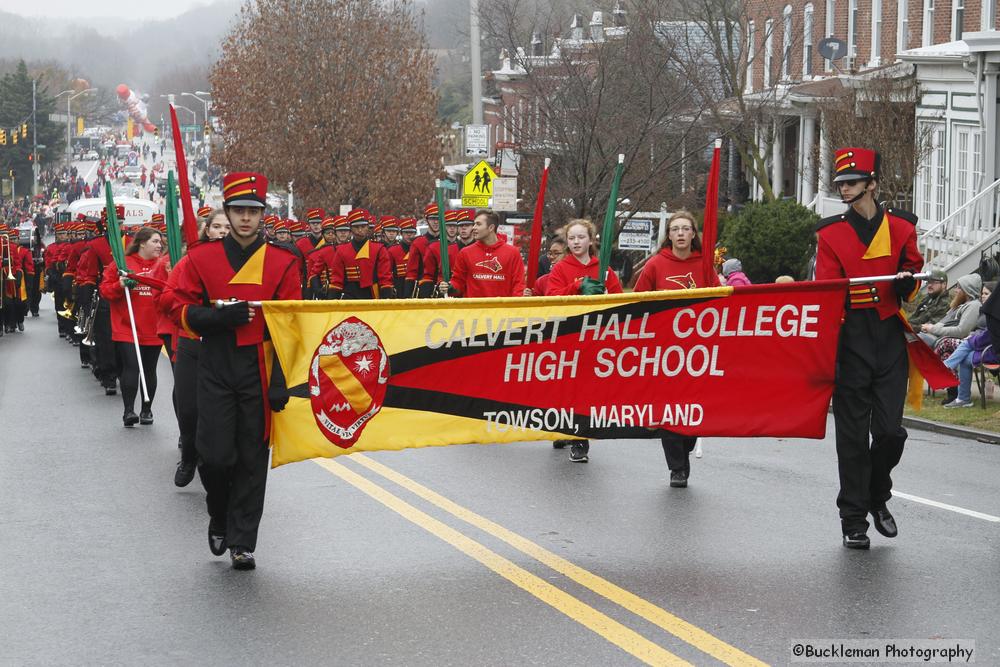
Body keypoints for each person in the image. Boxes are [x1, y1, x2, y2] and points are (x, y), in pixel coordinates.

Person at [169, 172, 300, 570]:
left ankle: (243, 541)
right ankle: (219, 514)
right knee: (215, 456)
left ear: (263, 215)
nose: (245, 218)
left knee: (251, 457)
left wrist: (282, 382)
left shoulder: (284, 261)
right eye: (239, 210)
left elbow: (291, 324)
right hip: (215, 362)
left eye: (253, 211)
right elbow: (175, 308)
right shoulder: (200, 258)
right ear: (227, 211)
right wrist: (215, 317)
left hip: (259, 367)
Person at [814, 146, 924, 550]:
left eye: (852, 183)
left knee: (891, 432)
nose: (844, 189)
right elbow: (827, 289)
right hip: (851, 338)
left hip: (889, 335)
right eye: (841, 183)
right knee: (852, 436)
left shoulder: (901, 227)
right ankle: (854, 518)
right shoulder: (829, 233)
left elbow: (913, 269)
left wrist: (906, 283)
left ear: (872, 184)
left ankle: (878, 494)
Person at [633, 210, 720, 487]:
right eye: (675, 229)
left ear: (694, 234)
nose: (681, 233)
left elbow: (720, 300)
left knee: (691, 407)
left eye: (686, 229)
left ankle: (686, 448)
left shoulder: (705, 264)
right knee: (668, 407)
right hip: (664, 349)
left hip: (697, 348)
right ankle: (677, 468)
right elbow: (639, 302)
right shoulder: (656, 265)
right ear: (668, 235)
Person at [159, 208, 230, 487]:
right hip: (192, 342)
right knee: (189, 409)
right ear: (207, 230)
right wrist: (191, 309)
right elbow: (167, 299)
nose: (223, 232)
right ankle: (189, 456)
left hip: (226, 347)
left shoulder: (244, 264)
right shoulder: (190, 262)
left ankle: (217, 463)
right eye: (218, 227)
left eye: (228, 227)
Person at [545, 219, 623, 463]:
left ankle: (578, 434)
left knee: (588, 390)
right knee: (570, 388)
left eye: (581, 237)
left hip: (596, 337)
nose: (576, 242)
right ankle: (575, 436)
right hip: (569, 336)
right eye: (572, 238)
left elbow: (619, 299)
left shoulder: (604, 269)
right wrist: (576, 286)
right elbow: (551, 298)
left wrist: (608, 298)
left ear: (591, 239)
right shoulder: (561, 268)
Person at [100, 227, 164, 427]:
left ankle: (147, 409)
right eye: (155, 241)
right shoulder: (121, 264)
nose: (159, 245)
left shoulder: (164, 265)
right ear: (142, 243)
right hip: (127, 326)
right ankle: (129, 411)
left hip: (153, 326)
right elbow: (105, 290)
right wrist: (120, 285)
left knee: (149, 369)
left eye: (160, 242)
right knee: (131, 367)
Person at [439, 210, 526, 298]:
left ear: (491, 228)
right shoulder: (465, 253)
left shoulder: (512, 253)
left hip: (502, 310)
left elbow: (518, 285)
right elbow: (458, 283)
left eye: (478, 224)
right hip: (473, 309)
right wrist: (449, 287)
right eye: (474, 224)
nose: (474, 227)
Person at [942, 281, 997, 408]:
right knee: (961, 351)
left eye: (986, 294)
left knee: (962, 349)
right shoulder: (988, 309)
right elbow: (982, 331)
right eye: (982, 293)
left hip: (993, 351)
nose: (982, 296)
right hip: (986, 347)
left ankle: (947, 369)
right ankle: (962, 396)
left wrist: (971, 339)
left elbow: (988, 336)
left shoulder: (995, 313)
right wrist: (973, 335)